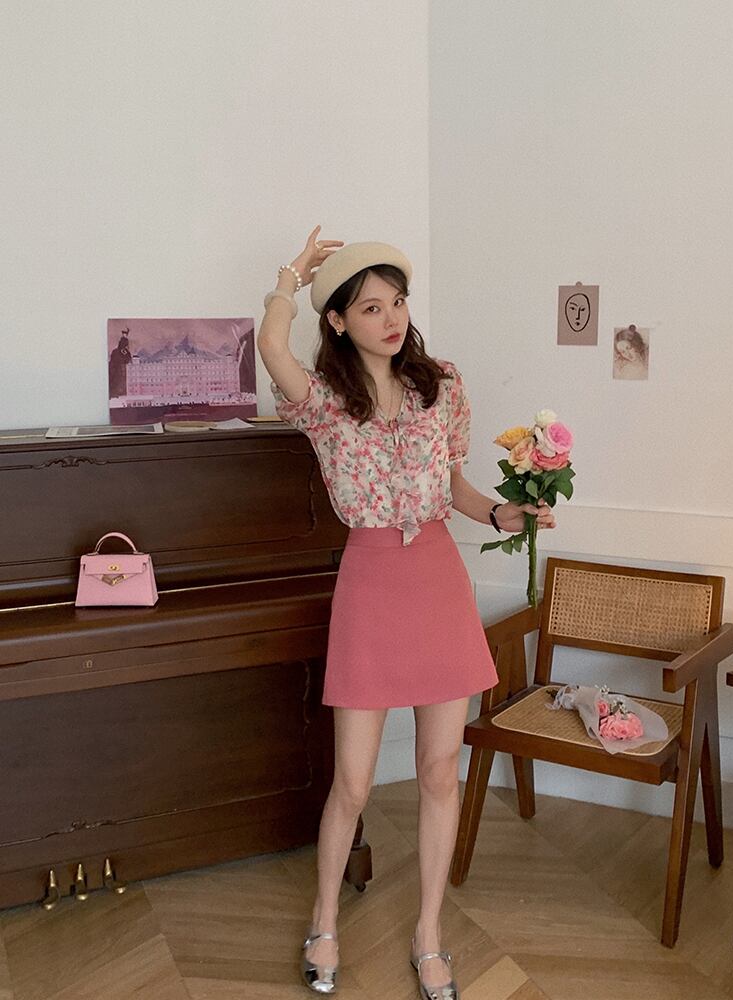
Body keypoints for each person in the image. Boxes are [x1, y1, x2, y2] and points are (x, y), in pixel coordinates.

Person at [257, 227, 556, 998]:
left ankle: (428, 934)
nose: (391, 319)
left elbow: (454, 486)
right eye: (370, 307)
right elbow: (271, 345)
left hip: (438, 582)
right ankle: (324, 919)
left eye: (397, 302)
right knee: (353, 784)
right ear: (338, 321)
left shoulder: (442, 385)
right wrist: (292, 275)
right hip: (370, 583)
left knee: (438, 772)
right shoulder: (323, 403)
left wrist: (503, 514)